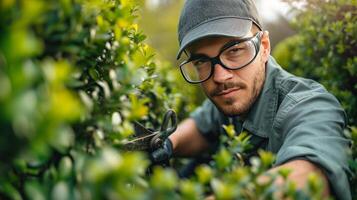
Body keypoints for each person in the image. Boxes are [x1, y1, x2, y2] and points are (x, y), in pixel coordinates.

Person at [151, 0, 351, 199]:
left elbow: (310, 177)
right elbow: (202, 124)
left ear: (264, 47)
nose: (220, 77)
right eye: (201, 60)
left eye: (234, 50)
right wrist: (167, 144)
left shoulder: (311, 105)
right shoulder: (231, 96)